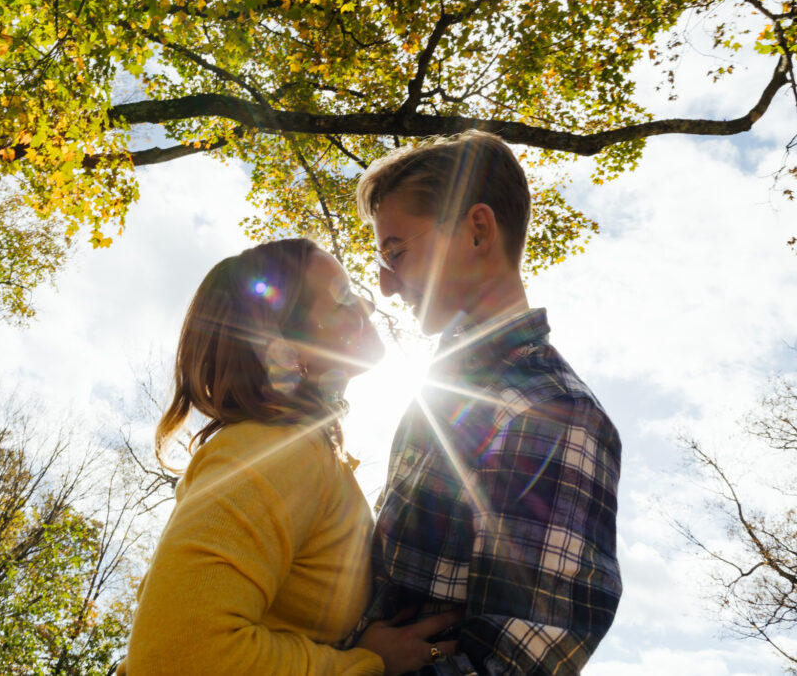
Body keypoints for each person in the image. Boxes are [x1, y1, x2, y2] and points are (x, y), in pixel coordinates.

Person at [120, 238, 461, 676]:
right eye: (340, 300)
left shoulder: (307, 453)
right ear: (287, 346)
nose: (363, 305)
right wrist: (367, 664)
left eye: (353, 289)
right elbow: (175, 659)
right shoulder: (275, 451)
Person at [351, 131, 622, 675]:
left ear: (477, 230)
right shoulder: (448, 391)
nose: (384, 284)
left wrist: (362, 669)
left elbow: (513, 664)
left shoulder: (549, 407)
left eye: (396, 251)